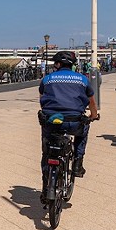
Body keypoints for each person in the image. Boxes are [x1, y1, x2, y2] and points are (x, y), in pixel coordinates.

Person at [38, 51, 98, 202]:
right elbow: (91, 102)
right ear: (72, 65)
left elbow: (42, 98)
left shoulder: (47, 79)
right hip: (74, 121)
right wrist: (93, 116)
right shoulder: (83, 80)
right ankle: (78, 162)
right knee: (83, 131)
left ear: (57, 64)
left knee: (47, 152)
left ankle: (46, 186)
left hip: (51, 121)